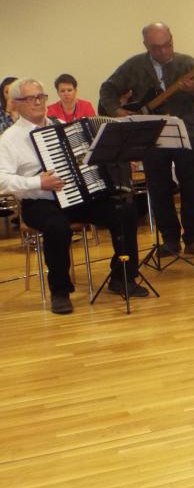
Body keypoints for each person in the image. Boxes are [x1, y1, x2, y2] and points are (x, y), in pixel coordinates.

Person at [0, 79, 145, 314]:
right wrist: (38, 182)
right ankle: (60, 291)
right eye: (30, 98)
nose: (38, 102)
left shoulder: (60, 125)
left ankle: (122, 277)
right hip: (38, 201)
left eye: (41, 96)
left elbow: (82, 158)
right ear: (16, 103)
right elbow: (2, 180)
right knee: (57, 227)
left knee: (124, 210)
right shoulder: (10, 139)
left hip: (76, 195)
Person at [99, 22, 194, 258]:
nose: (163, 51)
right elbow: (107, 89)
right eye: (156, 47)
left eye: (167, 45)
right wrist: (117, 111)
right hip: (150, 135)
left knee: (192, 186)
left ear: (172, 39)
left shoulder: (186, 63)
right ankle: (170, 239)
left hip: (185, 133)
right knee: (158, 187)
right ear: (146, 46)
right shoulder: (134, 66)